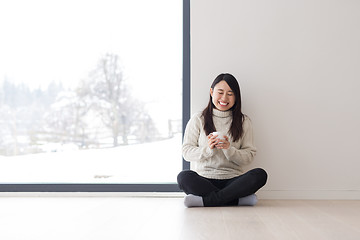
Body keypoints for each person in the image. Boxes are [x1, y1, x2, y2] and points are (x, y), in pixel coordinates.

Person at [177, 73, 267, 207]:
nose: (224, 98)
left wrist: (229, 150)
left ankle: (206, 201)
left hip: (233, 180)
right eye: (220, 92)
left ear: (236, 96)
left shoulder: (244, 121)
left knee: (260, 175)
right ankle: (236, 200)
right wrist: (207, 150)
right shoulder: (198, 119)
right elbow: (186, 152)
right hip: (204, 179)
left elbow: (249, 156)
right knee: (183, 177)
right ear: (211, 92)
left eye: (230, 94)